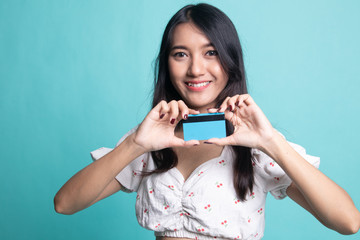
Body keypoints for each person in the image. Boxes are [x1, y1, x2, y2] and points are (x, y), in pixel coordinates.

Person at [54, 3, 360, 240]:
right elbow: (64, 204)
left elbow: (348, 221)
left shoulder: (256, 146)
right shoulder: (149, 140)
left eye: (210, 52)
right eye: (181, 54)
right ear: (167, 64)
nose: (196, 69)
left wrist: (271, 143)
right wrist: (135, 144)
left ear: (230, 61)